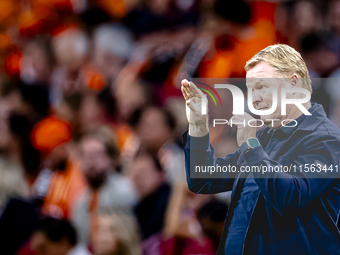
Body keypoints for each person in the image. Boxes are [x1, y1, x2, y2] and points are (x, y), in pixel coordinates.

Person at [181, 44, 340, 254]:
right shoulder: (265, 136)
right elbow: (204, 179)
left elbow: (290, 196)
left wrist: (250, 144)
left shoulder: (326, 139)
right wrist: (199, 127)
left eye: (262, 86)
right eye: (251, 89)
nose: (254, 99)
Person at [73, 128, 137, 248]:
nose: (91, 162)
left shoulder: (125, 191)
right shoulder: (80, 201)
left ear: (111, 157)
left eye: (97, 155)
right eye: (86, 156)